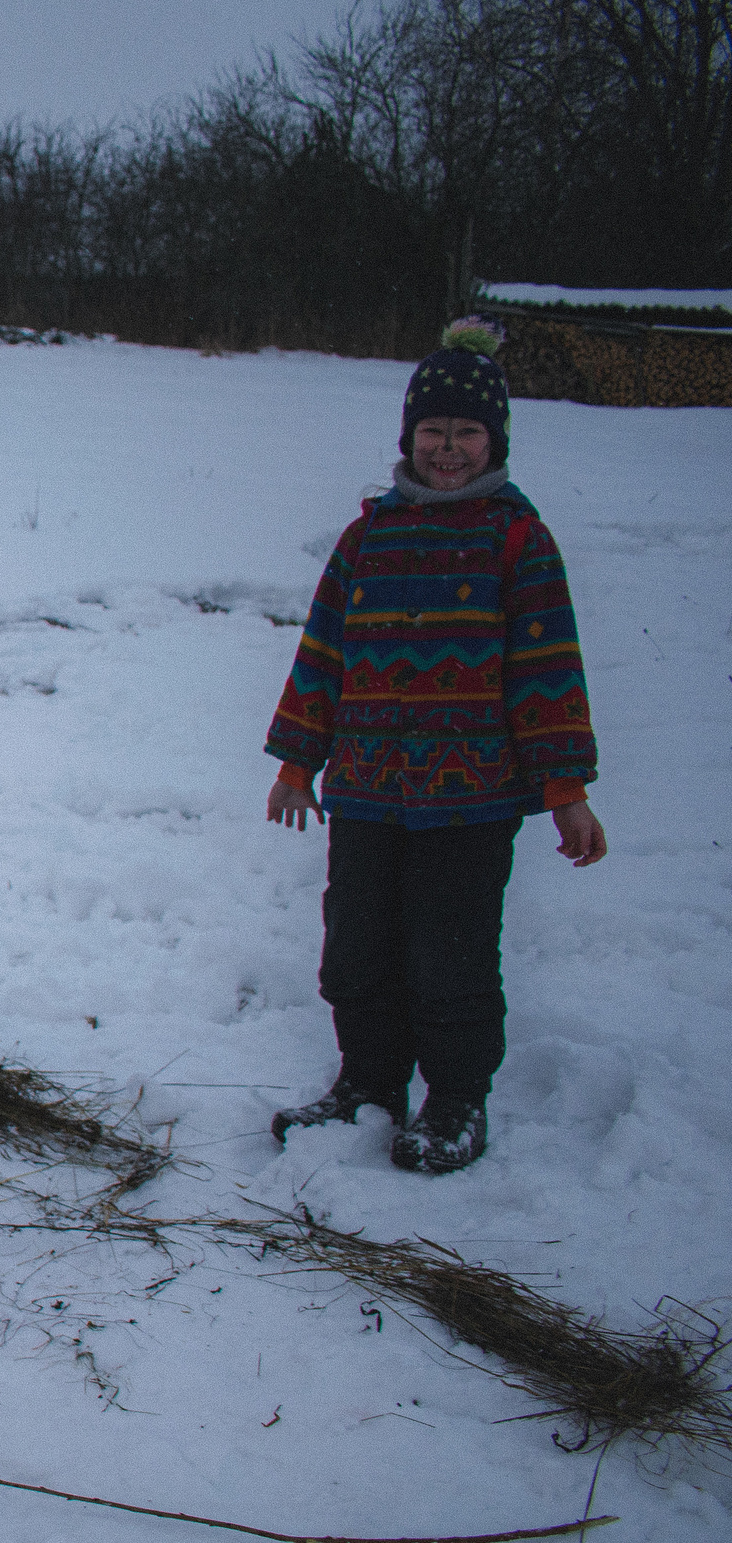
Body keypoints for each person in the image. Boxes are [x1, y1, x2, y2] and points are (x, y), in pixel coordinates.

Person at [263, 319, 604, 1175]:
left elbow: (547, 669)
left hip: (472, 799)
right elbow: (323, 655)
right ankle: (368, 1085)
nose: (448, 449)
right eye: (433, 432)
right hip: (370, 790)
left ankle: (455, 1098)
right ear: (408, 437)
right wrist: (298, 759)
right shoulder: (367, 538)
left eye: (466, 433)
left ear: (494, 441)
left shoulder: (515, 539)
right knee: (356, 947)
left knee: (448, 956)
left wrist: (565, 790)